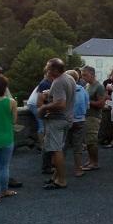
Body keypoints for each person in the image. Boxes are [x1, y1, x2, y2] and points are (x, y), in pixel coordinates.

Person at [37, 58, 76, 189]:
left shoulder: (58, 81)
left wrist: (44, 107)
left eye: (48, 67)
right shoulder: (69, 78)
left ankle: (62, 180)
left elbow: (61, 103)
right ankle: (55, 177)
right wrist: (51, 94)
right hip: (67, 119)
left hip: (58, 120)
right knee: (58, 148)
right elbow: (65, 97)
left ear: (54, 69)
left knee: (56, 150)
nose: (46, 70)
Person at [0, 61, 22, 190]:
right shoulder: (1, 85)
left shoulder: (1, 85)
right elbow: (12, 108)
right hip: (1, 132)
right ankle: (1, 185)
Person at [64, 70, 90, 177]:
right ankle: (78, 169)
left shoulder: (65, 90)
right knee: (78, 146)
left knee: (63, 145)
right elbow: (87, 105)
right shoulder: (83, 90)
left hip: (67, 120)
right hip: (80, 120)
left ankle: (58, 169)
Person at [81, 66, 106, 171]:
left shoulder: (99, 86)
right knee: (88, 141)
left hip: (93, 117)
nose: (83, 77)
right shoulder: (87, 85)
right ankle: (90, 160)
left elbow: (101, 104)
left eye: (85, 75)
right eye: (82, 75)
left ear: (92, 74)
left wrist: (87, 102)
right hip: (87, 116)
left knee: (92, 141)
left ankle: (94, 163)